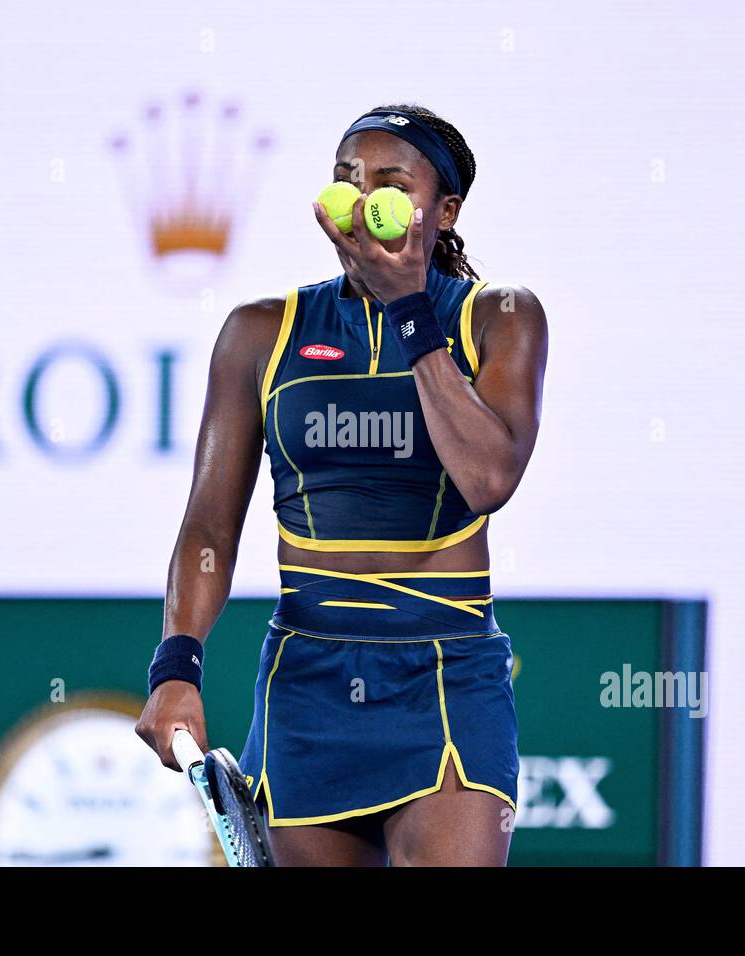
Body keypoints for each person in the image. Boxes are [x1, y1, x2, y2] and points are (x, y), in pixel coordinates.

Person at [137, 103, 548, 866]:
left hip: (447, 676)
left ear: (445, 209)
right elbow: (208, 527)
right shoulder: (262, 331)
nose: (362, 199)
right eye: (345, 180)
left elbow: (489, 476)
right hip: (307, 682)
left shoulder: (500, 318)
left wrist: (410, 312)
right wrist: (176, 664)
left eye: (390, 181)